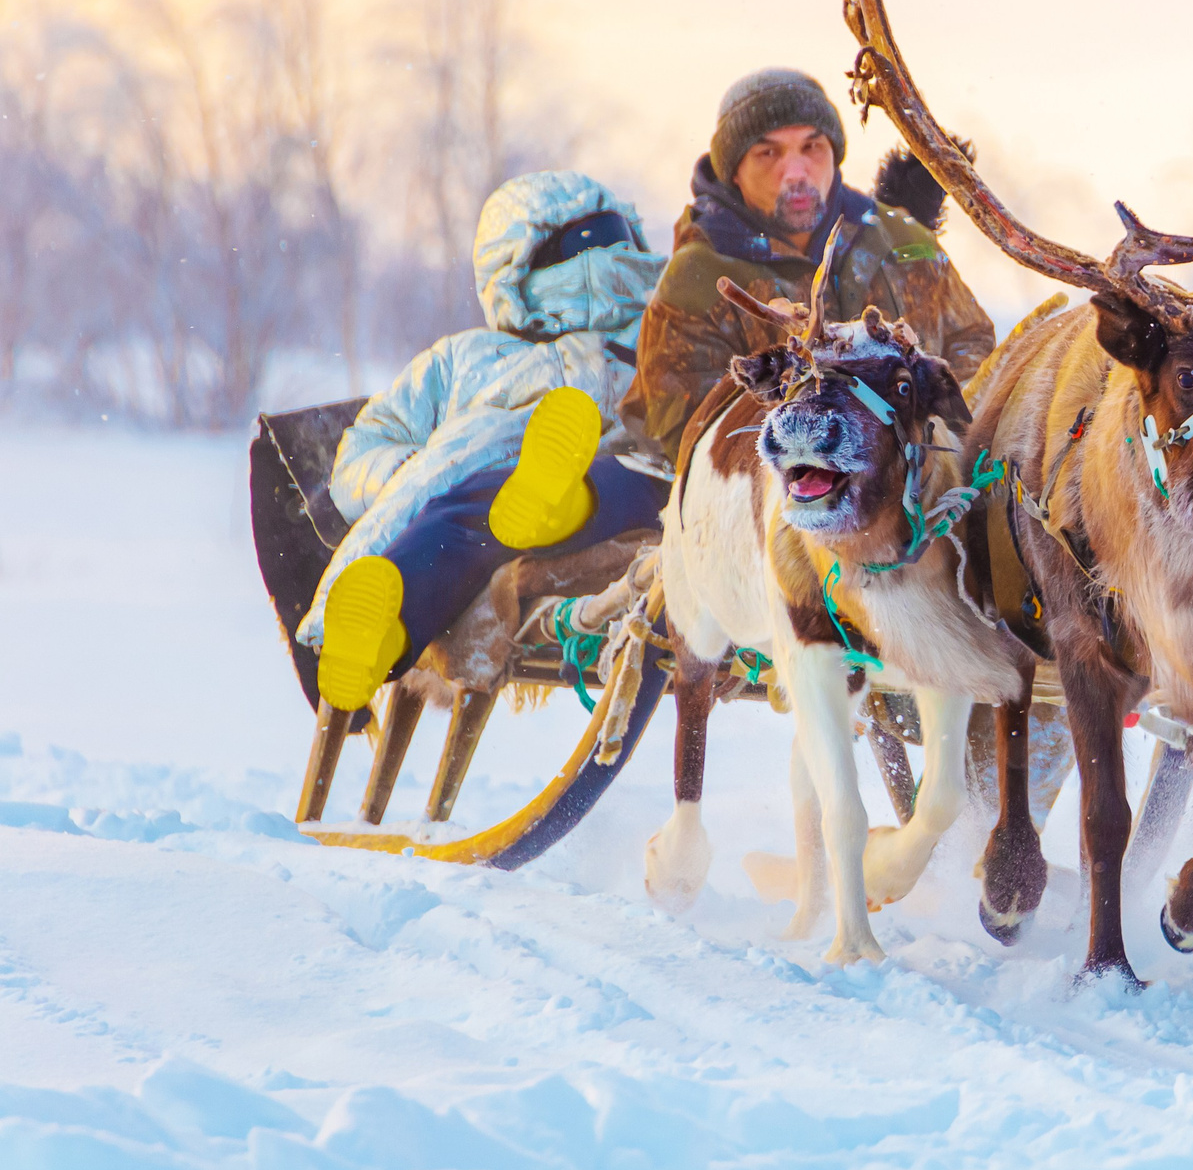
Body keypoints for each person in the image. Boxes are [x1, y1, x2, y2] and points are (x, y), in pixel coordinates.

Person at [298, 172, 669, 712]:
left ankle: (556, 502)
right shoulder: (465, 357)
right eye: (572, 246)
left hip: (627, 482)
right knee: (465, 509)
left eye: (613, 237)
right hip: (500, 496)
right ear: (514, 268)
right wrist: (416, 470)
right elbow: (367, 447)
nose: (602, 254)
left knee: (627, 477)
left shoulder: (658, 342)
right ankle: (378, 634)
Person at [620, 66, 995, 463]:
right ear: (734, 171)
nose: (797, 173)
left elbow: (977, 355)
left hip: (925, 487)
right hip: (777, 501)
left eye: (812, 147)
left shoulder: (905, 243)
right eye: (768, 153)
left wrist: (929, 440)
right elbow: (695, 437)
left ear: (834, 152)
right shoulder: (697, 279)